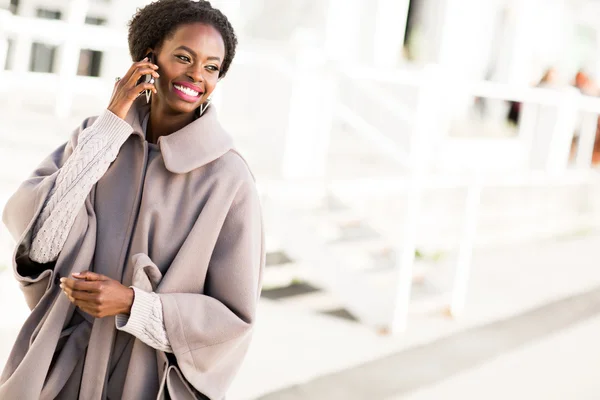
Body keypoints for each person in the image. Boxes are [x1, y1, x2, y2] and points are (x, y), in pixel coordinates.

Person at [0, 1, 265, 399]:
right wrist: (111, 123)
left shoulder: (228, 178)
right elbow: (38, 248)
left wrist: (133, 305)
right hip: (59, 373)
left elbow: (232, 321)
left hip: (144, 381)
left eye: (211, 67)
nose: (197, 75)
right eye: (183, 57)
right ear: (149, 56)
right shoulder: (95, 138)